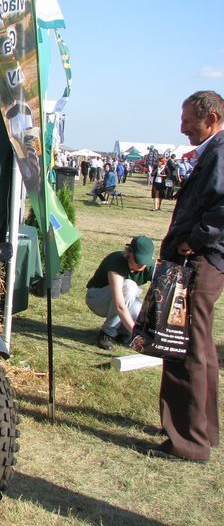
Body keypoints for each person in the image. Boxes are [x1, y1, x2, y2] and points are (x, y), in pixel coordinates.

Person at [149, 90, 224, 463]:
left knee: (184, 347)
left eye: (188, 121)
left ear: (210, 119)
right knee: (201, 347)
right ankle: (202, 430)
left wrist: (194, 240)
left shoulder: (220, 152)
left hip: (200, 262)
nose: (182, 129)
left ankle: (189, 442)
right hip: (205, 262)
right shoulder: (214, 152)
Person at [86, 236, 155, 350]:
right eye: (138, 260)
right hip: (97, 299)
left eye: (145, 262)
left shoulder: (149, 266)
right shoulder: (117, 262)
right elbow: (120, 305)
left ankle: (122, 332)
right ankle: (107, 333)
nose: (141, 265)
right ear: (129, 252)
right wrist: (137, 334)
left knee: (142, 312)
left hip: (122, 301)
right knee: (129, 286)